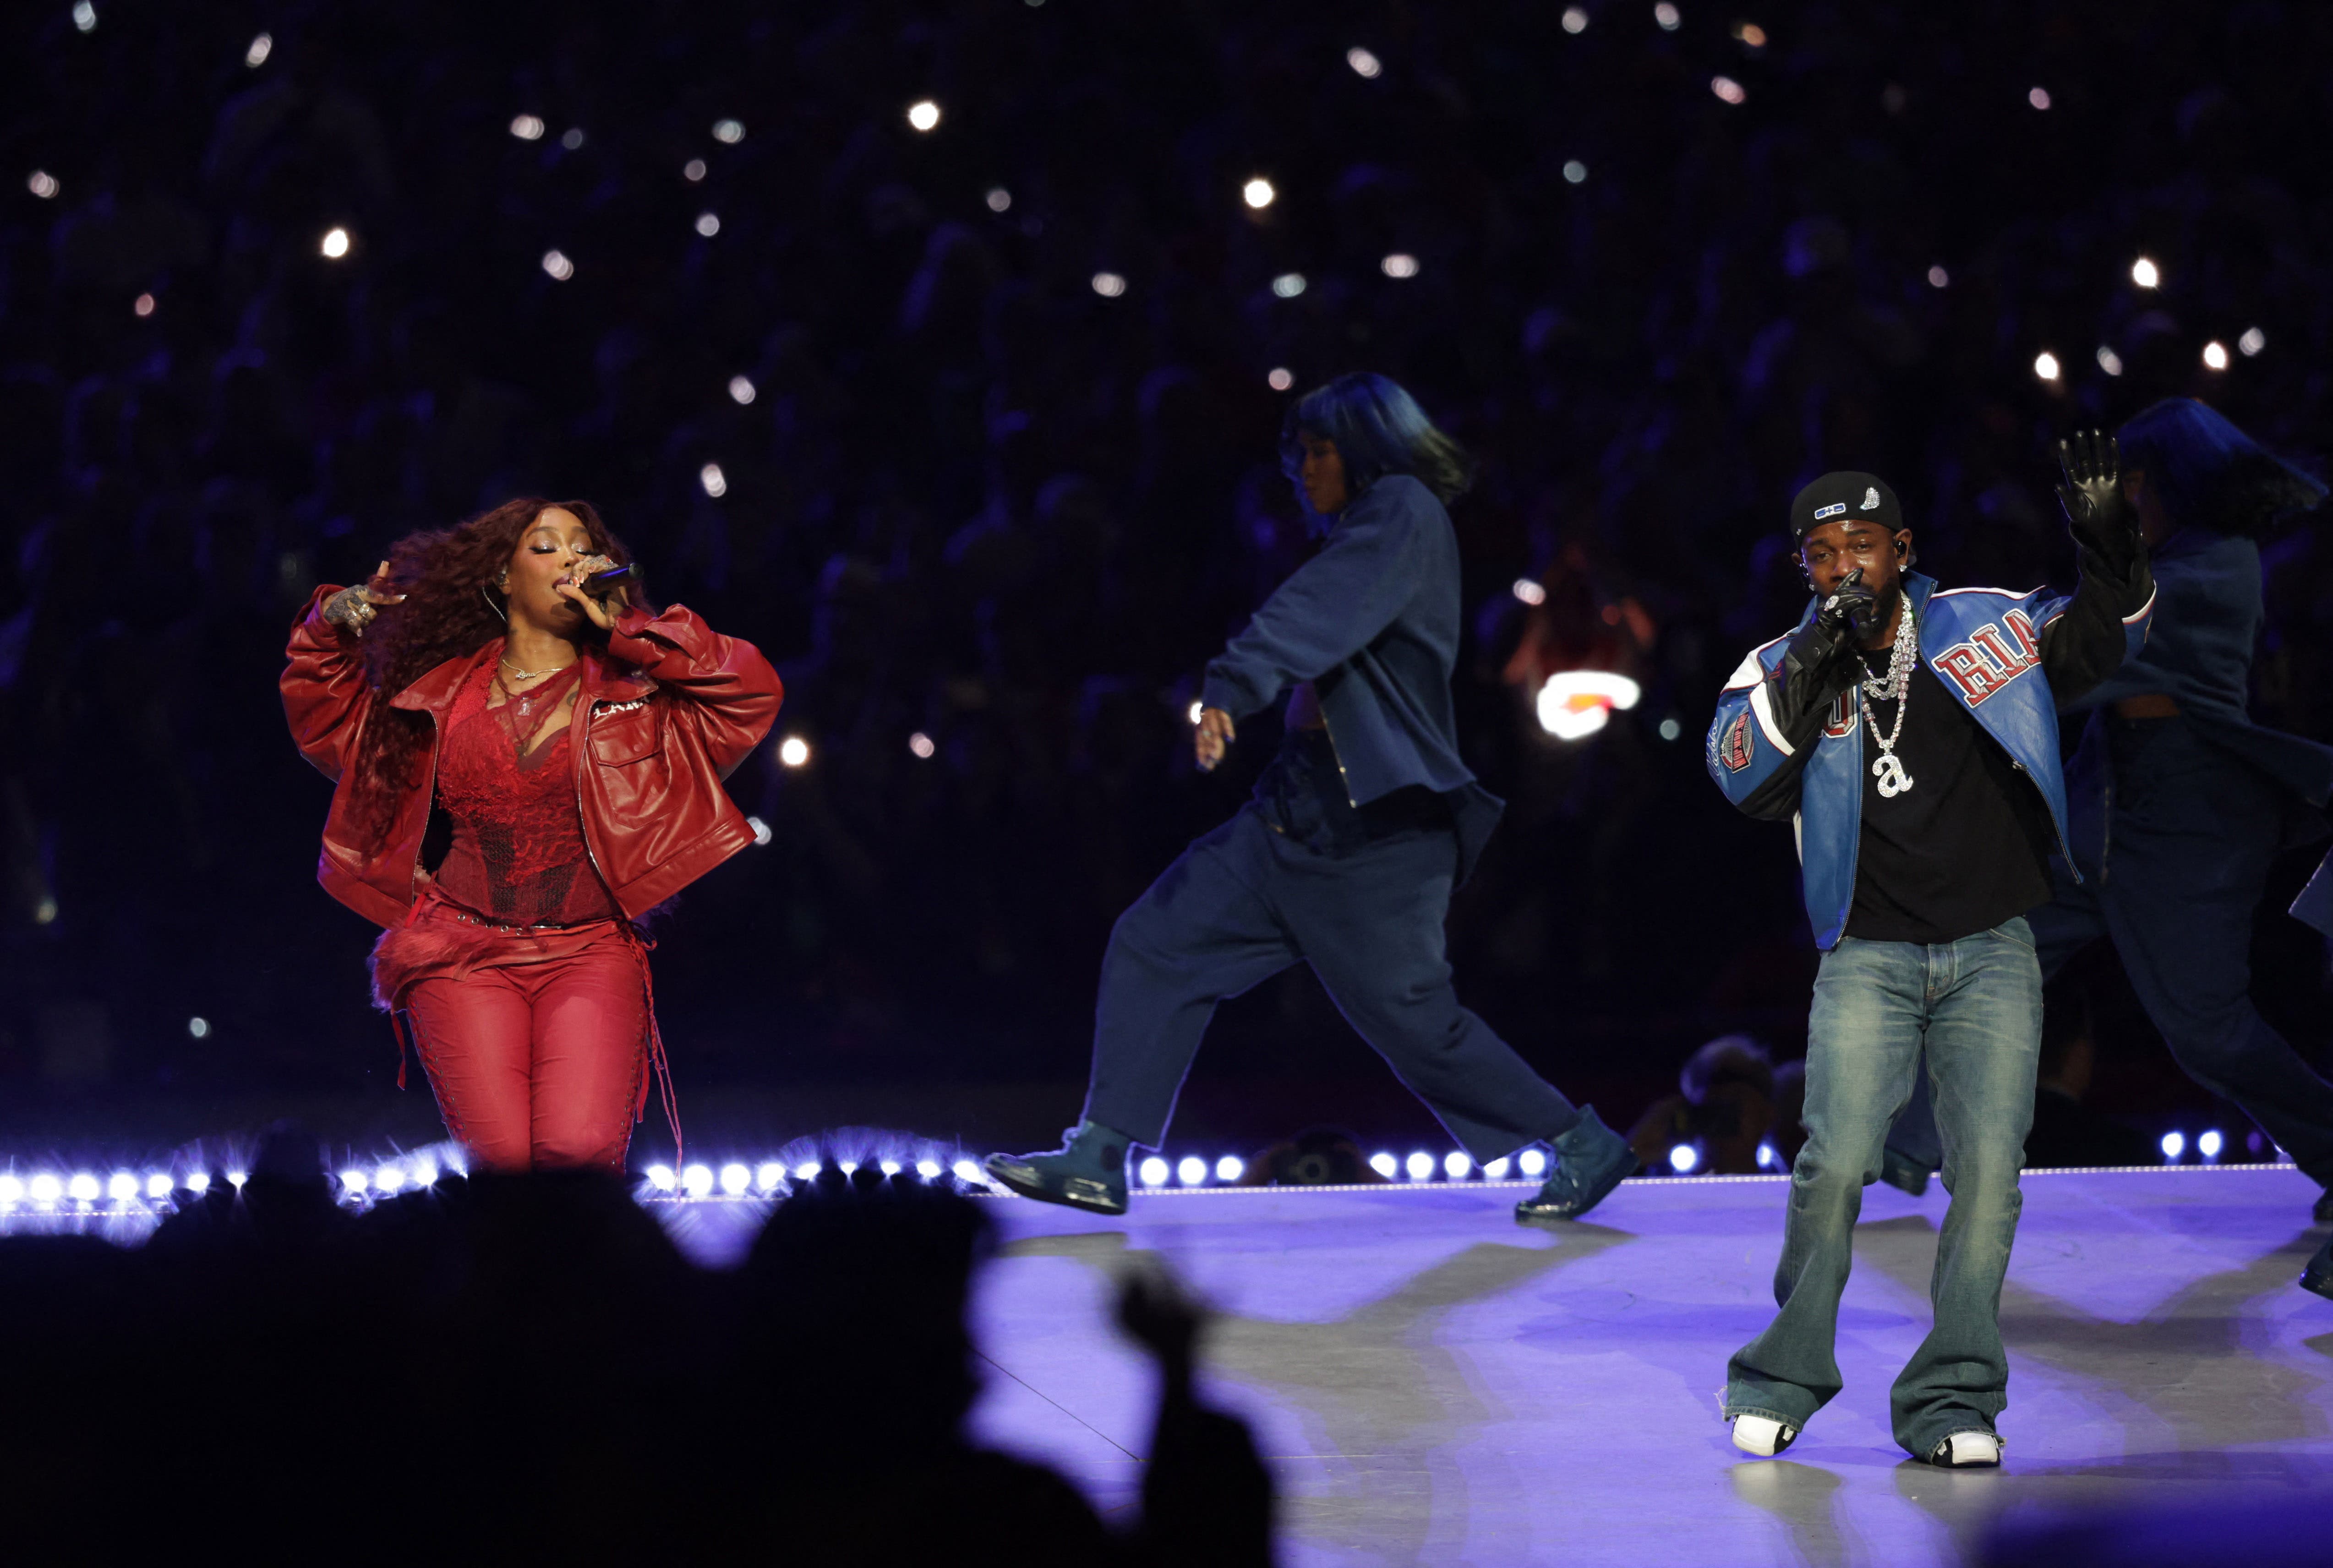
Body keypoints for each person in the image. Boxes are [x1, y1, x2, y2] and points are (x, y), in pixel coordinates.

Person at [985, 373, 1636, 1224]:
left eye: (1318, 449)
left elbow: (1316, 614)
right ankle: (1100, 1155)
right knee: (1157, 941)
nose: (1300, 467)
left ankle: (1580, 1143)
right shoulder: (1366, 530)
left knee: (1416, 1026)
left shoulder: (1401, 509)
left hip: (1373, 832)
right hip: (1291, 812)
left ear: (1370, 447)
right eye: (1295, 451)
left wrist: (1231, 682)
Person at [1707, 439, 2153, 1466]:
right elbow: (1739, 775)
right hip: (1867, 953)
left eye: (1863, 545)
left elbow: (2106, 635)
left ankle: (1953, 1399)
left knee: (1991, 1176)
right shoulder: (1782, 667)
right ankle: (1781, 1373)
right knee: (1835, 1165)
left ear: (1903, 550)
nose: (1845, 567)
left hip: (1993, 947)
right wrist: (1817, 661)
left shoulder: (1983, 621)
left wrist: (2107, 538)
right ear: (1801, 569)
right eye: (1823, 554)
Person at [1878, 403, 2333, 1269]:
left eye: (2132, 483)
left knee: (2205, 1029)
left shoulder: (2217, 566)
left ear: (2175, 481)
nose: (2120, 498)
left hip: (2188, 822)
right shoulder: (2166, 560)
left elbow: (2099, 642)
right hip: (2106, 801)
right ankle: (1906, 1141)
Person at [280, 499, 781, 1171]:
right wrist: (327, 626)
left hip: (589, 951)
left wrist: (631, 628)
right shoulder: (435, 694)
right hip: (460, 952)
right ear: (502, 579)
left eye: (584, 547)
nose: (572, 558)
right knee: (505, 1172)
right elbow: (325, 717)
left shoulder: (636, 696)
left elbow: (749, 690)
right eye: (547, 547)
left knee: (578, 1165)